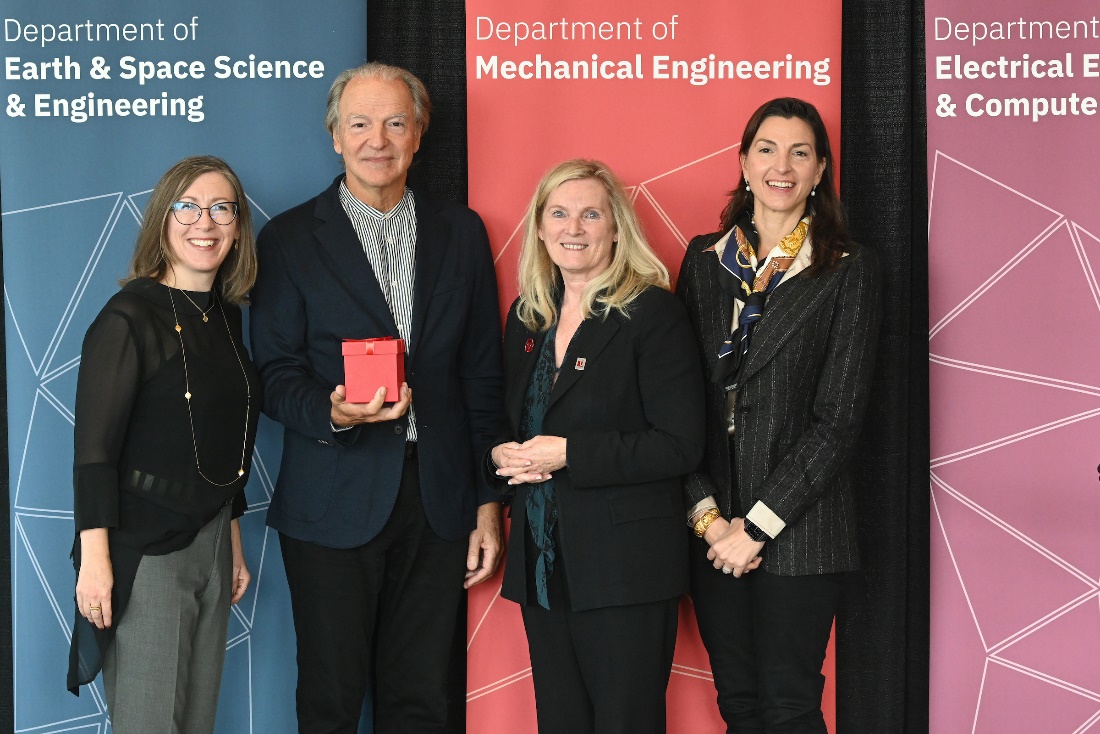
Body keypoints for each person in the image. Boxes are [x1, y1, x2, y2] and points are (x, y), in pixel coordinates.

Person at [248, 61, 505, 733]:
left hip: (437, 501)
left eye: (396, 122)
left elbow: (481, 376)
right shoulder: (290, 240)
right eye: (359, 123)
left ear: (419, 134)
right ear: (335, 135)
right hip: (332, 498)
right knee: (330, 699)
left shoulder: (462, 233)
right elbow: (272, 373)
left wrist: (485, 502)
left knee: (422, 699)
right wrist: (329, 411)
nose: (378, 140)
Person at [676, 97, 881, 733]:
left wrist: (755, 529)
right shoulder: (704, 261)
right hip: (712, 529)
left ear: (821, 170)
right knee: (737, 705)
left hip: (801, 530)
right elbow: (679, 405)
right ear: (743, 162)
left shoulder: (849, 268)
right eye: (767, 149)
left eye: (800, 152)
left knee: (789, 707)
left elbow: (839, 421)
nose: (781, 166)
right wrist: (711, 520)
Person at [488, 159, 705, 734]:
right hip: (541, 562)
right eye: (558, 213)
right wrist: (500, 456)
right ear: (538, 227)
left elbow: (681, 445)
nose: (573, 228)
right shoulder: (527, 317)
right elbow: (510, 421)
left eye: (590, 213)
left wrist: (571, 454)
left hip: (625, 571)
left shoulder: (652, 313)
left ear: (616, 228)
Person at [67, 155, 260, 733]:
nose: (207, 223)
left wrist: (232, 542)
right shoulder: (129, 318)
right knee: (150, 723)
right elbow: (94, 453)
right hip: (145, 551)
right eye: (190, 207)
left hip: (213, 546)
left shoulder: (227, 317)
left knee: (196, 722)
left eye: (222, 208)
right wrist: (95, 564)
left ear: (237, 224)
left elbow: (220, 442)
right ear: (162, 219)